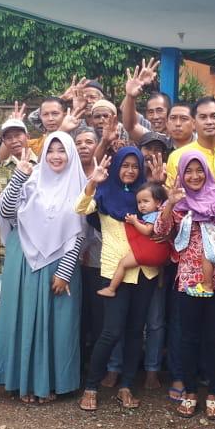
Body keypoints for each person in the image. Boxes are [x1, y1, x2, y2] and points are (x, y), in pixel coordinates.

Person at [0, 132, 87, 403]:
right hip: (24, 259)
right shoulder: (31, 179)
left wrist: (65, 272)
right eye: (51, 150)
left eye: (62, 150)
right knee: (20, 317)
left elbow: (79, 233)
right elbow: (6, 212)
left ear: (70, 154)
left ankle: (52, 383)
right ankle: (21, 381)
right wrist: (19, 176)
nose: (56, 156)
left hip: (60, 263)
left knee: (58, 324)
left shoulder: (80, 185)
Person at [75, 147, 161, 410]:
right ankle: (91, 387)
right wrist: (93, 182)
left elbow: (164, 213)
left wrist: (158, 183)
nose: (130, 170)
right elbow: (80, 208)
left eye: (135, 166)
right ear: (116, 168)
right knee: (110, 332)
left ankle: (126, 385)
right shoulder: (104, 193)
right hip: (113, 270)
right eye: (125, 165)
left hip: (145, 271)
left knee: (136, 332)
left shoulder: (144, 195)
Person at [154, 152, 215, 421]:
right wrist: (169, 203)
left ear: (207, 171)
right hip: (189, 279)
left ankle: (213, 393)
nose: (194, 176)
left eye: (198, 170)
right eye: (188, 171)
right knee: (188, 338)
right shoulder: (179, 205)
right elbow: (161, 232)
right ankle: (190, 392)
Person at [97, 183, 170, 298]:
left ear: (158, 202)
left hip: (148, 252)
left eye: (146, 201)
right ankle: (160, 281)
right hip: (160, 254)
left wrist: (134, 222)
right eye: (139, 202)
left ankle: (111, 289)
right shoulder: (156, 214)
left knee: (122, 264)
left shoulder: (154, 216)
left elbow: (147, 231)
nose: (142, 205)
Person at [163, 97, 215, 188]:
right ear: (194, 122)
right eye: (203, 117)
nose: (209, 122)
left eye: (214, 116)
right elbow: (171, 194)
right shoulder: (177, 156)